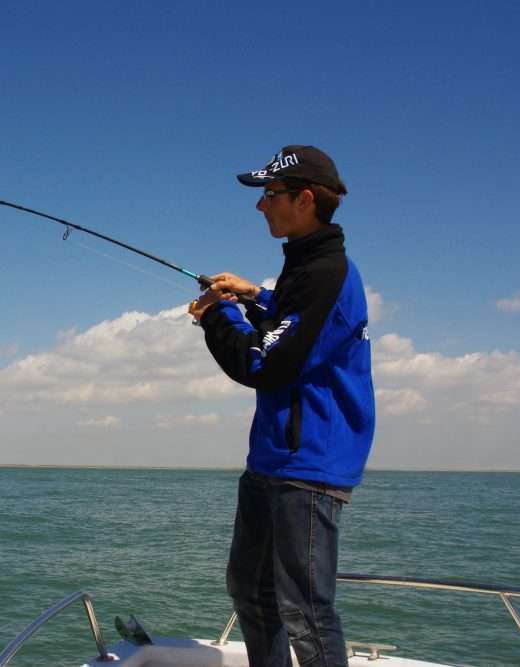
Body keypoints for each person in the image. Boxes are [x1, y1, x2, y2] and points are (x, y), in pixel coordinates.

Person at [188, 145, 375, 667]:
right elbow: (292, 321)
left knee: (306, 613)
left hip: (307, 466)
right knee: (250, 591)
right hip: (273, 460)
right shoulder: (303, 267)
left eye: (270, 195)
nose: (260, 206)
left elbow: (266, 364)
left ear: (306, 199)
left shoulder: (326, 271)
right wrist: (254, 295)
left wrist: (215, 318)